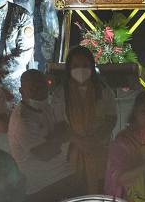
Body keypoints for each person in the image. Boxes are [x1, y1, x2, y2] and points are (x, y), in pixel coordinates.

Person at [49, 45, 118, 193]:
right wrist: (79, 141)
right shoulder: (60, 93)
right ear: (68, 68)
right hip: (72, 154)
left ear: (92, 67)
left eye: (85, 65)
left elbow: (111, 118)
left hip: (101, 151)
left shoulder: (104, 90)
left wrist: (96, 139)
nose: (80, 69)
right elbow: (59, 123)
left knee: (100, 191)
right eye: (75, 66)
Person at [8, 70, 76, 201]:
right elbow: (45, 153)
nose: (38, 89)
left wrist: (55, 139)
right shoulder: (22, 119)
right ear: (21, 91)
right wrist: (60, 136)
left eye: (41, 85)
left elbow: (64, 129)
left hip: (63, 173)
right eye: (33, 87)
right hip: (42, 185)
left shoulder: (47, 105)